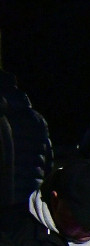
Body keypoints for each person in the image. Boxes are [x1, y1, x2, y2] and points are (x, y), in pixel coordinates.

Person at [0, 66, 52, 220]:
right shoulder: (36, 118)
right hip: (31, 197)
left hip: (5, 198)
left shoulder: (4, 118)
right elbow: (48, 160)